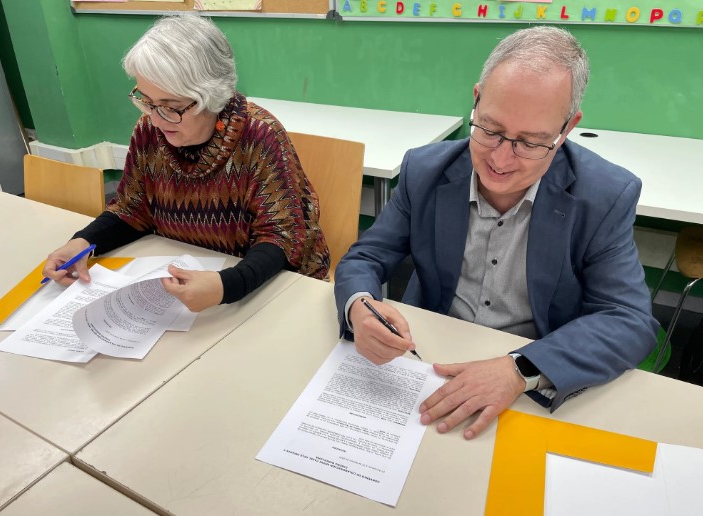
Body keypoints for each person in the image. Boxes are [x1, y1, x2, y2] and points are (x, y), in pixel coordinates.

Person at [334, 26, 658, 440]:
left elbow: (629, 320)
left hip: (535, 368)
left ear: (566, 129)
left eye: (530, 142)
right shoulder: (424, 171)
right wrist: (360, 306)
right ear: (476, 99)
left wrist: (520, 368)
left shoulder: (605, 195)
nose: (501, 160)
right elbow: (366, 257)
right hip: (428, 355)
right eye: (489, 129)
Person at [42, 15, 329, 310]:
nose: (154, 118)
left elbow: (282, 238)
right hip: (179, 279)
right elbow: (132, 210)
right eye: (147, 101)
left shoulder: (259, 136)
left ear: (212, 96)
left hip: (261, 289)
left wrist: (226, 285)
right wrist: (85, 242)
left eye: (171, 107)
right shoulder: (149, 131)